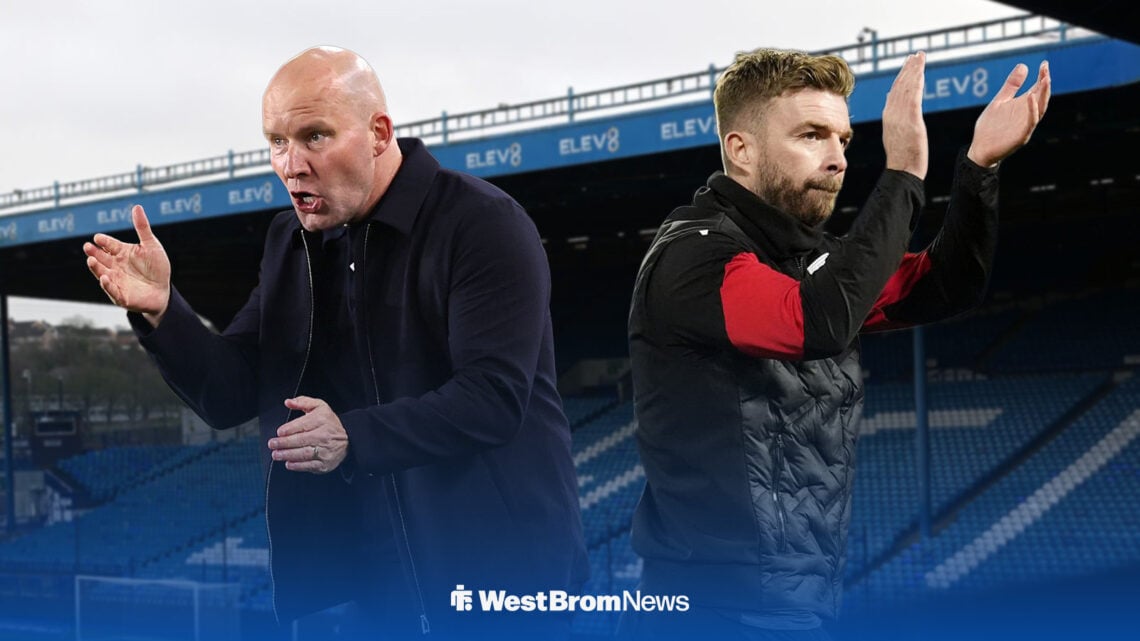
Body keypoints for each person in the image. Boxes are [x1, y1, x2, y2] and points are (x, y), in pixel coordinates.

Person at [83, 46, 588, 640]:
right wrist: (164, 311)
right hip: (375, 595)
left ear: (379, 134)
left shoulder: (481, 222)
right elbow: (230, 391)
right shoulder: (291, 241)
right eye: (276, 142)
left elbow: (493, 398)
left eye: (315, 136)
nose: (291, 165)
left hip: (505, 585)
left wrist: (353, 435)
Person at [622, 49, 1050, 640]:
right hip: (710, 609)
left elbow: (943, 287)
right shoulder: (695, 257)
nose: (838, 158)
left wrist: (979, 168)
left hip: (800, 606)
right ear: (740, 148)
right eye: (811, 135)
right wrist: (904, 171)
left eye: (844, 140)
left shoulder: (811, 260)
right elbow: (812, 323)